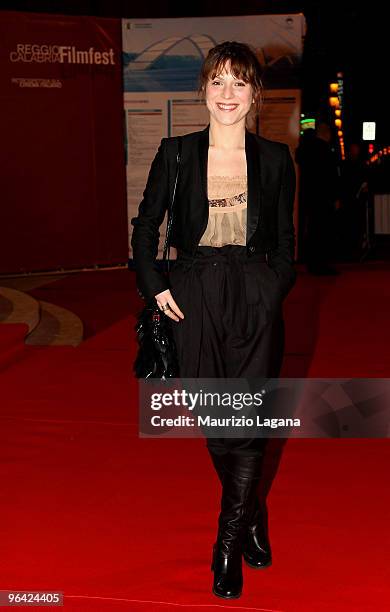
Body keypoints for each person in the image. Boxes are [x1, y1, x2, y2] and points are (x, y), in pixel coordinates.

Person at [131, 41, 296, 599]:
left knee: (247, 417)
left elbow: (285, 240)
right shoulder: (176, 153)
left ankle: (226, 543)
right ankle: (253, 509)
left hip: (253, 289)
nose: (228, 94)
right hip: (194, 290)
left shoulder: (275, 159)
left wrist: (272, 288)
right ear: (203, 90)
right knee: (213, 417)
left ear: (254, 95)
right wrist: (155, 288)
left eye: (240, 83)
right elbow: (146, 226)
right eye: (218, 82)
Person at [296, 123, 340, 274]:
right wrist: (334, 196)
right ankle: (321, 264)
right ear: (326, 134)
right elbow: (330, 177)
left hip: (310, 195)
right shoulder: (325, 151)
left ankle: (312, 263)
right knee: (322, 231)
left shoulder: (306, 150)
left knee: (313, 230)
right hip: (323, 197)